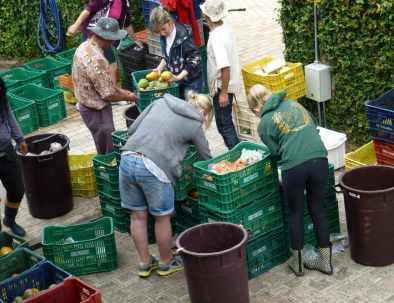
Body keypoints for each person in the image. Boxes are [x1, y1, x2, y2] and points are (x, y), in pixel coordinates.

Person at [119, 91, 213, 277]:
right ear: (204, 112)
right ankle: (165, 262)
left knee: (137, 217)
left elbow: (131, 130)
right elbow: (206, 158)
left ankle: (145, 263)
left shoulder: (160, 102)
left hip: (128, 158)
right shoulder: (195, 124)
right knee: (162, 218)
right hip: (155, 167)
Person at [247, 84, 333, 277]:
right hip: (319, 159)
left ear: (255, 109)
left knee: (295, 213)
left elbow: (276, 152)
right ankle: (326, 263)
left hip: (294, 167)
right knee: (317, 210)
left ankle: (298, 264)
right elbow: (313, 125)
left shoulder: (264, 123)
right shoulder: (294, 104)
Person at [72, 17, 138, 155]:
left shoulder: (84, 46)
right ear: (106, 38)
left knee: (102, 144)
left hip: (86, 105)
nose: (114, 41)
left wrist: (120, 90)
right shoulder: (97, 59)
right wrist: (130, 98)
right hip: (96, 110)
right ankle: (110, 173)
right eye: (113, 38)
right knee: (109, 150)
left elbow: (100, 83)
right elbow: (107, 94)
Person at [67, 0, 143, 86]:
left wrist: (135, 39)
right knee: (106, 66)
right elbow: (89, 9)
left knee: (110, 66)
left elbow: (127, 24)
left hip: (106, 37)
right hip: (94, 33)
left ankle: (111, 92)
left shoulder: (124, 4)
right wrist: (75, 25)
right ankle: (111, 94)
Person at [200, 0, 240, 149]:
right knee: (225, 123)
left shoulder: (216, 37)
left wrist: (223, 92)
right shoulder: (226, 28)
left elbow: (225, 67)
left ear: (206, 16)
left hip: (222, 87)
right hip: (228, 85)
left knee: (224, 125)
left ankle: (238, 157)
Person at [149, 6, 203, 100]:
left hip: (191, 82)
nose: (162, 33)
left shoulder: (184, 35)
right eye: (159, 31)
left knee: (192, 112)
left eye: (163, 29)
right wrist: (159, 68)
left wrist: (179, 77)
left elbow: (195, 58)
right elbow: (168, 56)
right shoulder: (164, 37)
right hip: (177, 81)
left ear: (169, 21)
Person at [0, 77, 28, 237]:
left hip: (7, 151)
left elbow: (8, 115)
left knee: (17, 189)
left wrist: (19, 139)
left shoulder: (1, 98)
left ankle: (9, 220)